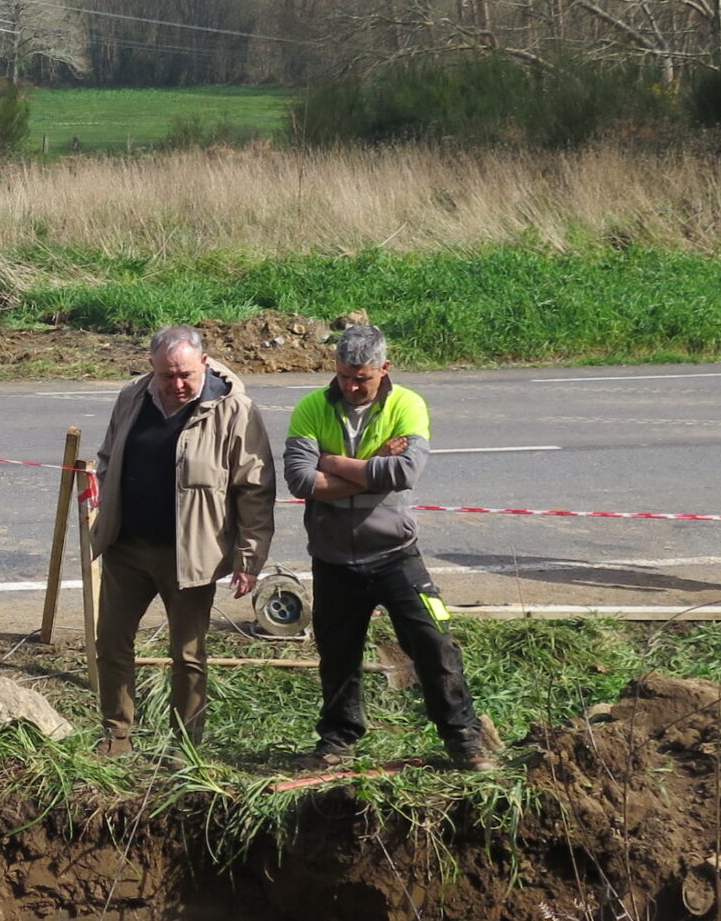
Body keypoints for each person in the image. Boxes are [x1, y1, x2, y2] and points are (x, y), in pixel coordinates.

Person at [281, 324, 495, 772]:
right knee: (338, 656)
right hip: (333, 559)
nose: (353, 386)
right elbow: (302, 481)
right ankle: (338, 740)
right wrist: (373, 461)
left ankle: (464, 740)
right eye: (344, 377)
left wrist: (332, 463)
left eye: (363, 378)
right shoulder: (311, 409)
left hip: (396, 554)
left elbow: (404, 474)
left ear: (385, 369)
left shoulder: (407, 405)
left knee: (435, 644)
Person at [86, 326, 276, 754]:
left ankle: (183, 747)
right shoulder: (133, 397)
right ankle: (117, 735)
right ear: (152, 368)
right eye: (166, 375)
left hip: (190, 557)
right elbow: (108, 456)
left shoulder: (234, 411)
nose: (176, 385)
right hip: (126, 549)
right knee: (112, 643)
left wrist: (249, 556)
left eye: (185, 375)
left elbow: (255, 489)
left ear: (204, 364)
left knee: (188, 656)